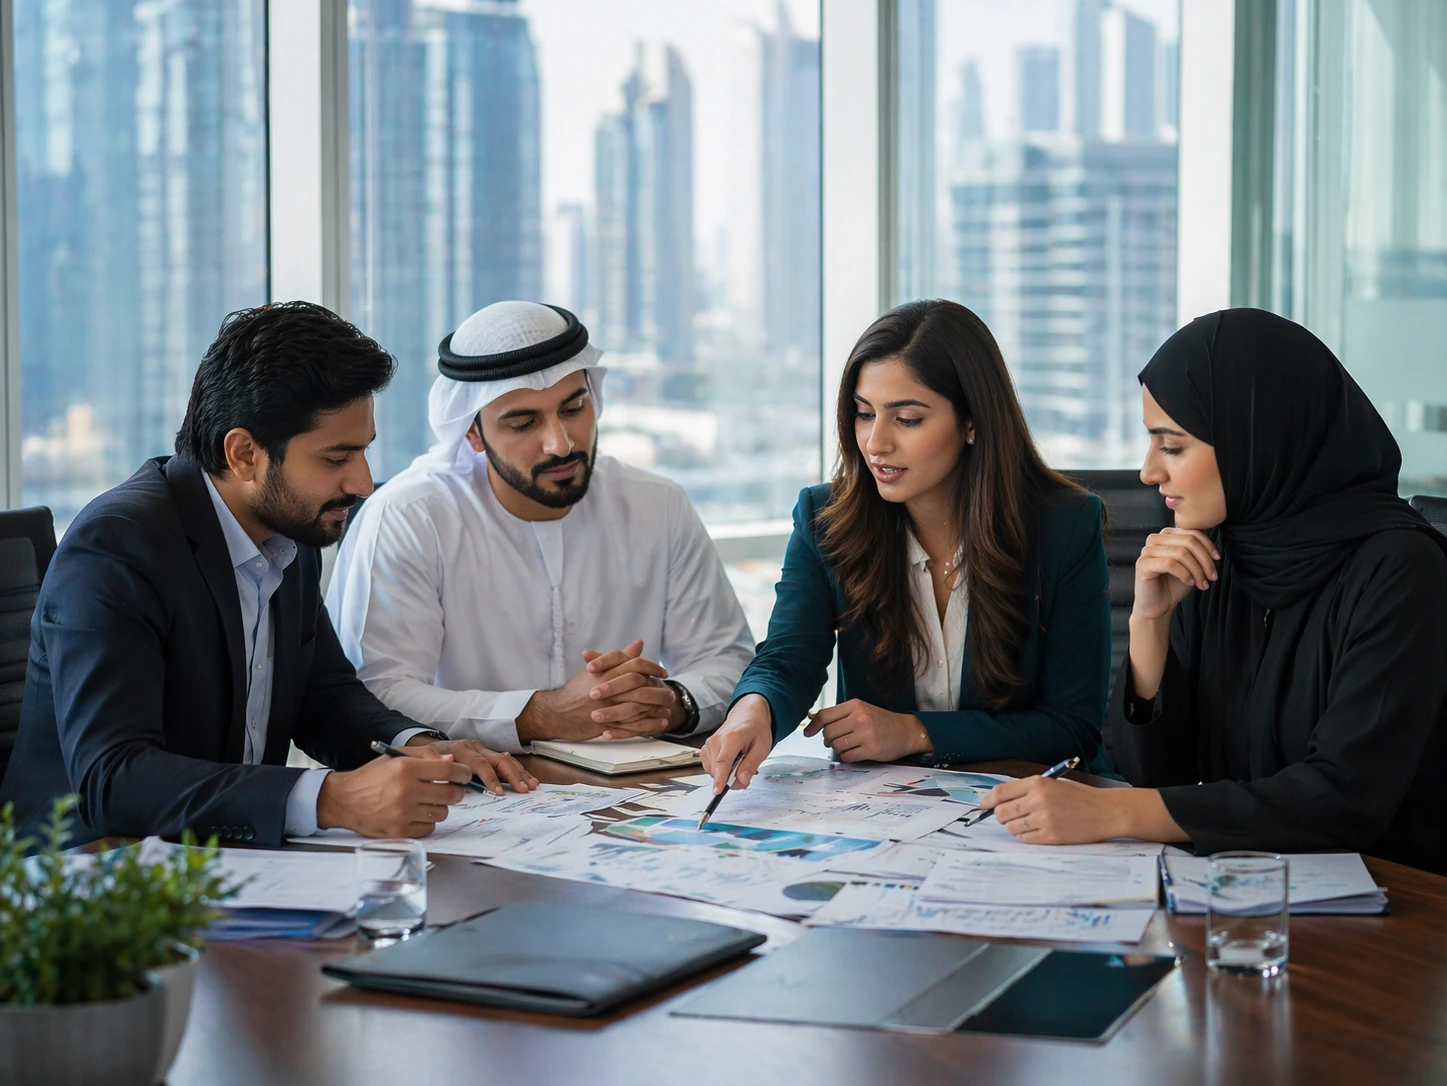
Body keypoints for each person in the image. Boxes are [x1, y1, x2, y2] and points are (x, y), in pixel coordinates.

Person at [0, 302, 536, 849]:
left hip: (219, 859)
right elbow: (113, 777)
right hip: (82, 875)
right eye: (336, 459)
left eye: (364, 453)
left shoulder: (287, 528)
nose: (363, 483)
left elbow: (323, 696)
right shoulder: (118, 546)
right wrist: (330, 799)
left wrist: (417, 744)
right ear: (245, 455)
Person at [979, 309, 1447, 875]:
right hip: (1243, 884)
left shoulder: (1403, 569)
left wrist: (1113, 813)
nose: (1149, 472)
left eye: (1171, 447)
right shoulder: (1223, 553)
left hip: (1395, 905)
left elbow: (1343, 797)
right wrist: (1149, 624)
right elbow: (1156, 774)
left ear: (1258, 440)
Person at [701, 299, 1113, 793]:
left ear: (972, 422)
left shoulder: (1063, 526)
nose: (875, 443)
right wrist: (753, 710)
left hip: (1027, 805)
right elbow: (790, 657)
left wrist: (915, 731)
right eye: (863, 413)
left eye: (908, 419)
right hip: (887, 815)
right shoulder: (825, 520)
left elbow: (1072, 728)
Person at [326, 300, 755, 751]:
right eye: (524, 423)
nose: (561, 444)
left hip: (634, 790)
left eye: (573, 409)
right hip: (471, 796)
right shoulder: (412, 516)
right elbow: (378, 693)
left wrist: (671, 701)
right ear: (472, 434)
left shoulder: (657, 503)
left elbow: (727, 658)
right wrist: (543, 713)